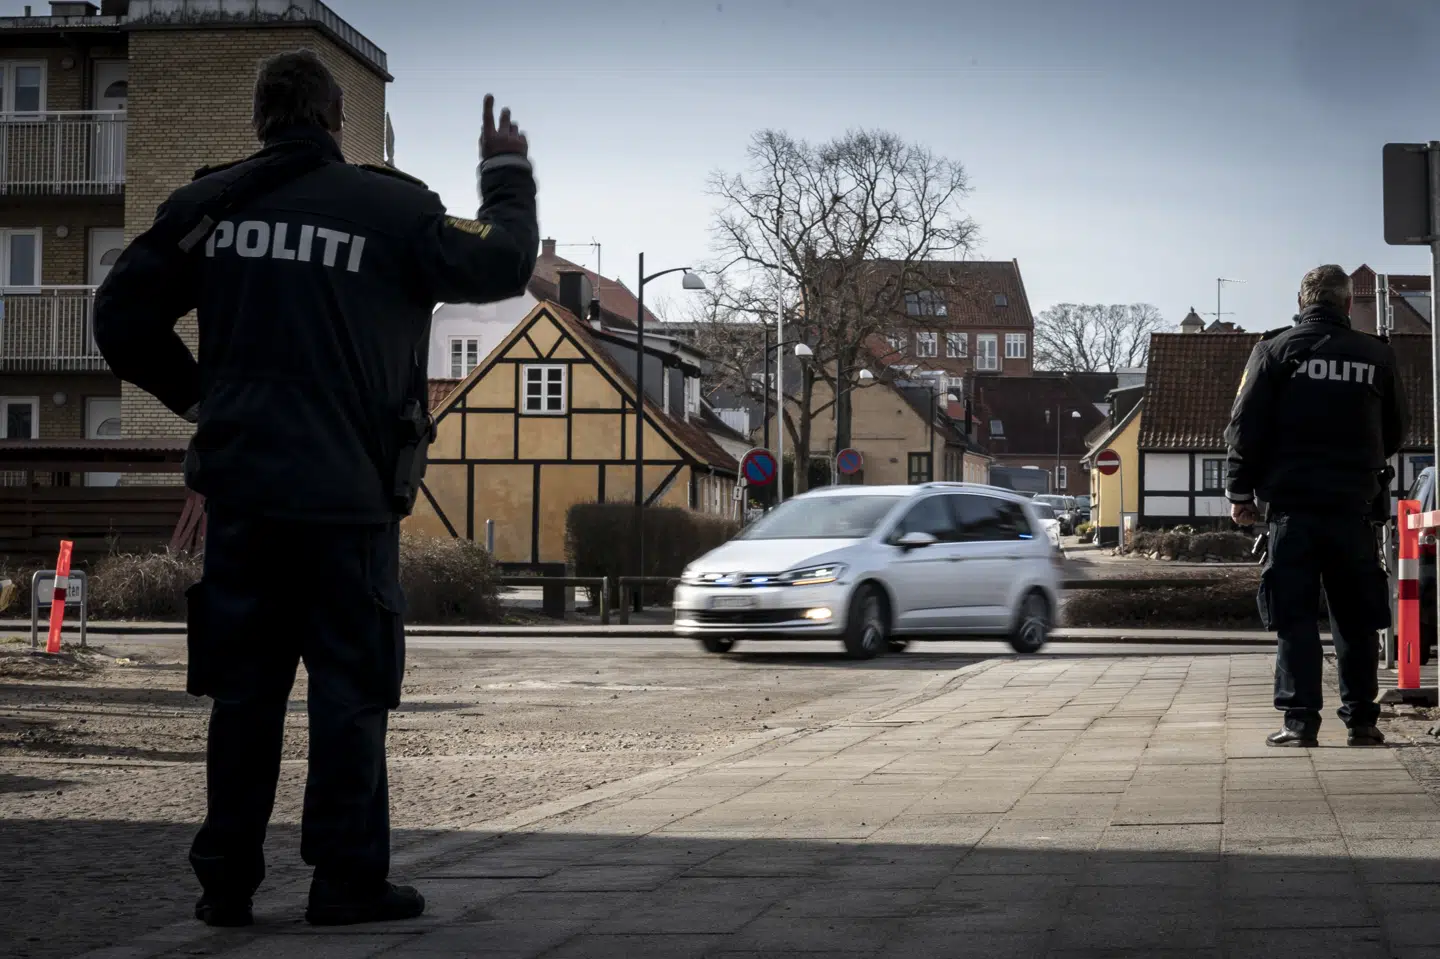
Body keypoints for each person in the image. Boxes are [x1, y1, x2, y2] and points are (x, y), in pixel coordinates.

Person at [93, 50, 538, 926]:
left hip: (245, 500)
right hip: (349, 503)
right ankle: (346, 879)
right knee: (350, 693)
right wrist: (504, 172)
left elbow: (120, 316)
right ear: (336, 119)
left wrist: (204, 399)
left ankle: (225, 882)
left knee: (243, 694)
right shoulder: (393, 210)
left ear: (260, 119)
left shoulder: (210, 207)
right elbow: (502, 263)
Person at [1225, 264, 1406, 749]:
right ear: (1347, 304)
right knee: (1357, 617)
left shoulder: (1273, 351)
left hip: (1293, 508)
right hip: (1353, 508)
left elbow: (1244, 428)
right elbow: (1395, 430)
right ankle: (1362, 721)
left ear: (1302, 302)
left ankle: (1300, 722)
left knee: (1295, 615)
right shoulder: (1377, 355)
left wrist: (1240, 494)